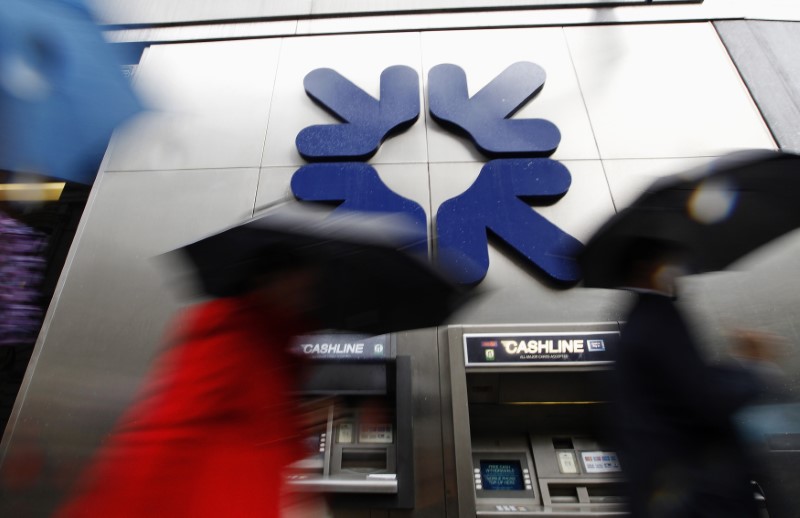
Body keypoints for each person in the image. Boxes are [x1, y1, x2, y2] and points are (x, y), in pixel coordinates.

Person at [56, 249, 328, 517]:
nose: (304, 296)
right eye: (298, 285)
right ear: (266, 280)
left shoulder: (281, 341)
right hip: (208, 488)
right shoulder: (234, 329)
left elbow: (270, 420)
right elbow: (181, 420)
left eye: (308, 290)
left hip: (242, 486)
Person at [610, 238, 776, 518]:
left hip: (656, 490)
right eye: (669, 265)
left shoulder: (634, 321)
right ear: (646, 269)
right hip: (688, 495)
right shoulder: (659, 318)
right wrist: (752, 365)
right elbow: (704, 399)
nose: (678, 273)